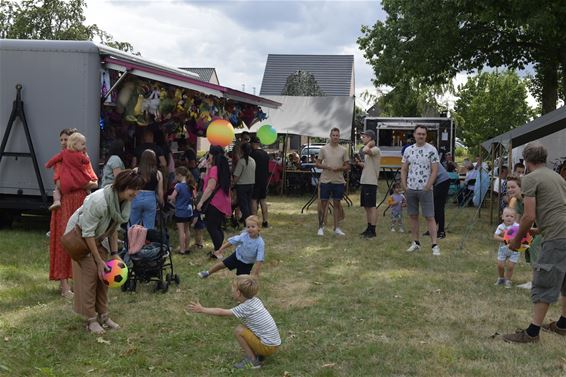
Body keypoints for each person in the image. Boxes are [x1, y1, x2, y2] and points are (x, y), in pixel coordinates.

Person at [65, 169, 145, 334]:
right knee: (90, 276)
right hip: (80, 238)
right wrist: (98, 260)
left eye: (138, 189)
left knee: (104, 277)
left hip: (98, 237)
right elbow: (87, 233)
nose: (136, 193)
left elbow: (113, 227)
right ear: (122, 186)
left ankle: (103, 316)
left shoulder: (123, 203)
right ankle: (90, 320)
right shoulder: (99, 202)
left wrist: (114, 253)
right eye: (134, 189)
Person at [503, 142, 566, 343]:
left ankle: (532, 333)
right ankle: (563, 325)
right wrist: (540, 229)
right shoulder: (556, 176)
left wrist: (515, 241)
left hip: (558, 235)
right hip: (561, 230)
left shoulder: (530, 178)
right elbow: (558, 207)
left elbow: (529, 216)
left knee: (544, 278)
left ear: (526, 161)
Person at [188, 275, 281, 369]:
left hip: (267, 347)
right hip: (274, 344)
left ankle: (253, 360)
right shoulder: (256, 301)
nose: (231, 290)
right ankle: (259, 354)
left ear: (238, 293)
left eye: (233, 288)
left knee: (239, 331)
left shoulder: (244, 308)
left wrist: (202, 309)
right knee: (246, 327)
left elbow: (221, 312)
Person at [46, 128, 78, 298]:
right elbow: (59, 185)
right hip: (65, 202)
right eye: (62, 140)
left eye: (67, 139)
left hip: (78, 202)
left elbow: (92, 181)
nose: (64, 143)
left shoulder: (82, 158)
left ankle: (77, 281)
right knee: (64, 242)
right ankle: (64, 285)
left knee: (79, 242)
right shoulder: (60, 161)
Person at [401, 125, 440, 256]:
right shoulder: (408, 150)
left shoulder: (432, 150)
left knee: (429, 216)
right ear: (414, 135)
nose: (421, 136)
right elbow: (404, 169)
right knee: (413, 216)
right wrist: (405, 186)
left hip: (426, 189)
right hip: (411, 188)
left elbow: (435, 170)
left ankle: (434, 245)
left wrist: (428, 186)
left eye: (423, 134)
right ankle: (415, 242)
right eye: (419, 133)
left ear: (426, 135)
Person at [198, 215, 264, 278]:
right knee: (221, 265)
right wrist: (221, 249)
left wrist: (256, 273)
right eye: (248, 227)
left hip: (247, 263)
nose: (250, 229)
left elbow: (259, 259)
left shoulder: (260, 243)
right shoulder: (244, 236)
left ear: (259, 228)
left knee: (241, 279)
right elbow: (232, 241)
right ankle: (207, 273)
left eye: (253, 227)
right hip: (236, 256)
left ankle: (238, 289)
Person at [196, 146, 231, 257]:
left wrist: (201, 202)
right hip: (222, 201)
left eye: (209, 154)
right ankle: (219, 250)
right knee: (217, 226)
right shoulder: (220, 168)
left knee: (211, 226)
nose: (208, 156)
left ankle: (218, 251)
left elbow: (210, 187)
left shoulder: (215, 169)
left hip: (214, 202)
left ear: (213, 155)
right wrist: (208, 167)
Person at [315, 127, 349, 236]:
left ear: (339, 137)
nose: (335, 137)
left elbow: (347, 166)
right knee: (323, 204)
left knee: (337, 204)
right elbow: (318, 164)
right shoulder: (323, 149)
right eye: (333, 135)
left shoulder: (344, 150)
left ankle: (337, 227)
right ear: (330, 136)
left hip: (338, 181)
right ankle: (321, 227)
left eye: (337, 135)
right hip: (325, 180)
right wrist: (327, 166)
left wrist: (339, 168)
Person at [130, 149, 164, 229]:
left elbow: (130, 186)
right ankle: (147, 240)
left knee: (133, 224)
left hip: (136, 196)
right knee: (149, 226)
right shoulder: (158, 173)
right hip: (150, 198)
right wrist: (161, 202)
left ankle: (132, 239)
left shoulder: (135, 170)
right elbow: (160, 191)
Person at [356, 130, 381, 238]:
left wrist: (370, 143)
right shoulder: (370, 150)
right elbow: (367, 165)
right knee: (366, 206)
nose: (362, 138)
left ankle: (373, 230)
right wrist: (359, 163)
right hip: (365, 180)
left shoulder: (375, 149)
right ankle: (369, 227)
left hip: (371, 182)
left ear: (370, 138)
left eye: (364, 137)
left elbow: (365, 150)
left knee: (371, 207)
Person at [168, 166, 196, 255]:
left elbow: (172, 197)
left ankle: (182, 249)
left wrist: (168, 197)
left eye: (176, 176)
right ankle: (187, 248)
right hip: (189, 211)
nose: (175, 178)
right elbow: (193, 197)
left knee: (181, 231)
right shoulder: (190, 185)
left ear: (179, 175)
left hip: (180, 211)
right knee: (187, 230)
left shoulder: (178, 186)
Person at [494, 207, 520, 288]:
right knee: (500, 265)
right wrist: (504, 239)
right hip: (503, 250)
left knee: (510, 266)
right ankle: (501, 278)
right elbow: (495, 236)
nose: (509, 218)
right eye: (507, 216)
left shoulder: (517, 226)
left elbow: (523, 236)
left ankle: (508, 280)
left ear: (515, 218)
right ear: (502, 217)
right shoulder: (501, 227)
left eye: (512, 216)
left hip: (514, 250)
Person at [250, 136, 270, 228]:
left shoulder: (252, 154)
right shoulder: (265, 154)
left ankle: (254, 221)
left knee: (254, 200)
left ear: (253, 144)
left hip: (255, 179)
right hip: (264, 179)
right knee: (263, 200)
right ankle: (265, 221)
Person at [233, 142, 256, 223]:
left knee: (243, 205)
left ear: (242, 151)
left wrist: (232, 184)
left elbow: (236, 176)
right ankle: (250, 221)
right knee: (248, 204)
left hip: (242, 186)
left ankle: (248, 222)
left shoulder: (241, 161)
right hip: (251, 185)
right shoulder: (253, 161)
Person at [431, 162, 450, 239]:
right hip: (438, 182)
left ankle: (441, 231)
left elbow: (433, 175)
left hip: (443, 181)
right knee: (435, 207)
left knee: (439, 207)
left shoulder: (427, 157)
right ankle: (432, 229)